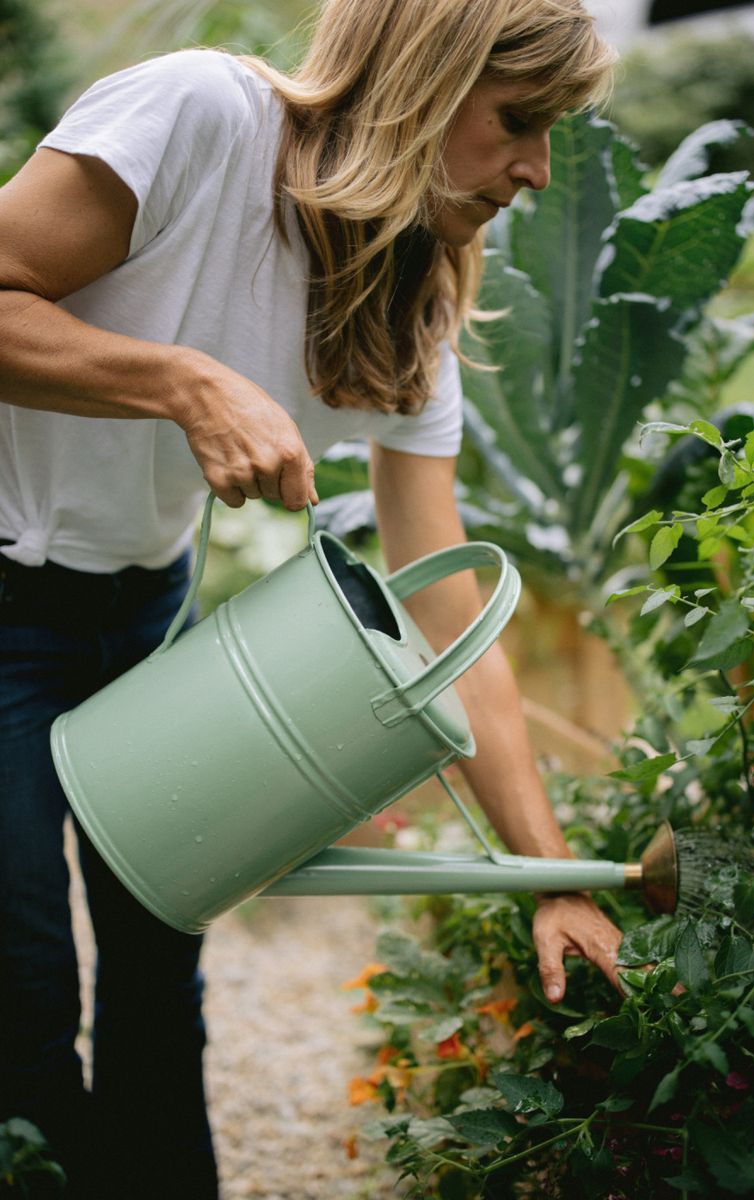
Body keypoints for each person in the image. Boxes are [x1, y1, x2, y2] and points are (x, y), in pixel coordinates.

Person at [0, 1, 621, 1195]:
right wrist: (180, 382)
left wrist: (546, 879)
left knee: (153, 985)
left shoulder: (411, 303)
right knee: (20, 999)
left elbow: (448, 621)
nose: (536, 170)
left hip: (141, 615)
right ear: (425, 78)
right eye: (519, 121)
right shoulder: (197, 115)